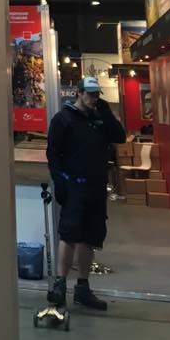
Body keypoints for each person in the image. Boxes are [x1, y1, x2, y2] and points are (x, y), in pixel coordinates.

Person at [46, 75, 125, 311]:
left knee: (90, 237)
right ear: (79, 93)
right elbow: (53, 152)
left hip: (96, 186)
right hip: (74, 185)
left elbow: (119, 137)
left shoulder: (99, 118)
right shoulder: (63, 119)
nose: (94, 98)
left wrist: (107, 113)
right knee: (69, 233)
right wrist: (59, 180)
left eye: (97, 94)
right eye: (90, 94)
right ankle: (60, 284)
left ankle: (83, 287)